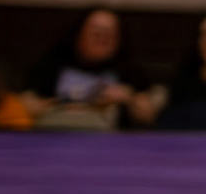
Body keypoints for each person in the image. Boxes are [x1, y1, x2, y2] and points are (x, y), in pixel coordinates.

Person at [22, 8, 163, 130]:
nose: (102, 38)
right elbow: (24, 107)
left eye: (109, 34)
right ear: (79, 34)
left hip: (111, 144)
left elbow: (148, 116)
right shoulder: (51, 67)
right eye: (96, 33)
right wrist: (58, 105)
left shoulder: (129, 72)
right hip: (54, 138)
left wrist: (128, 98)